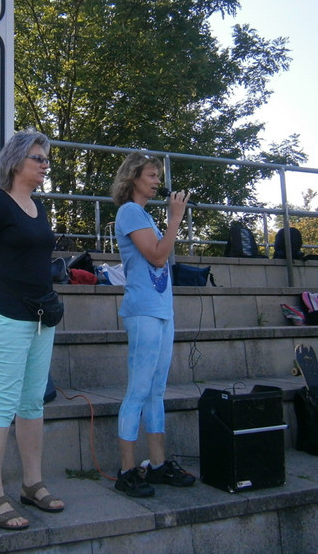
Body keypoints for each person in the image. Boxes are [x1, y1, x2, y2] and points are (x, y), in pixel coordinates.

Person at [0, 129, 65, 530]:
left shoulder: (39, 207)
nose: (45, 165)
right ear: (16, 161)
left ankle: (32, 484)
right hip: (6, 315)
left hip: (41, 317)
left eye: (46, 159)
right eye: (39, 158)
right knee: (2, 404)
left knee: (32, 403)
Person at [110, 152, 196, 497]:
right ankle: (126, 470)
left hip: (161, 310)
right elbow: (158, 256)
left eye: (158, 175)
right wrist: (175, 219)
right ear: (133, 177)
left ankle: (158, 465)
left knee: (156, 391)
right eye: (151, 175)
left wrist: (170, 222)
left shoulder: (144, 215)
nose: (158, 181)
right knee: (138, 390)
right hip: (143, 310)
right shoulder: (129, 211)